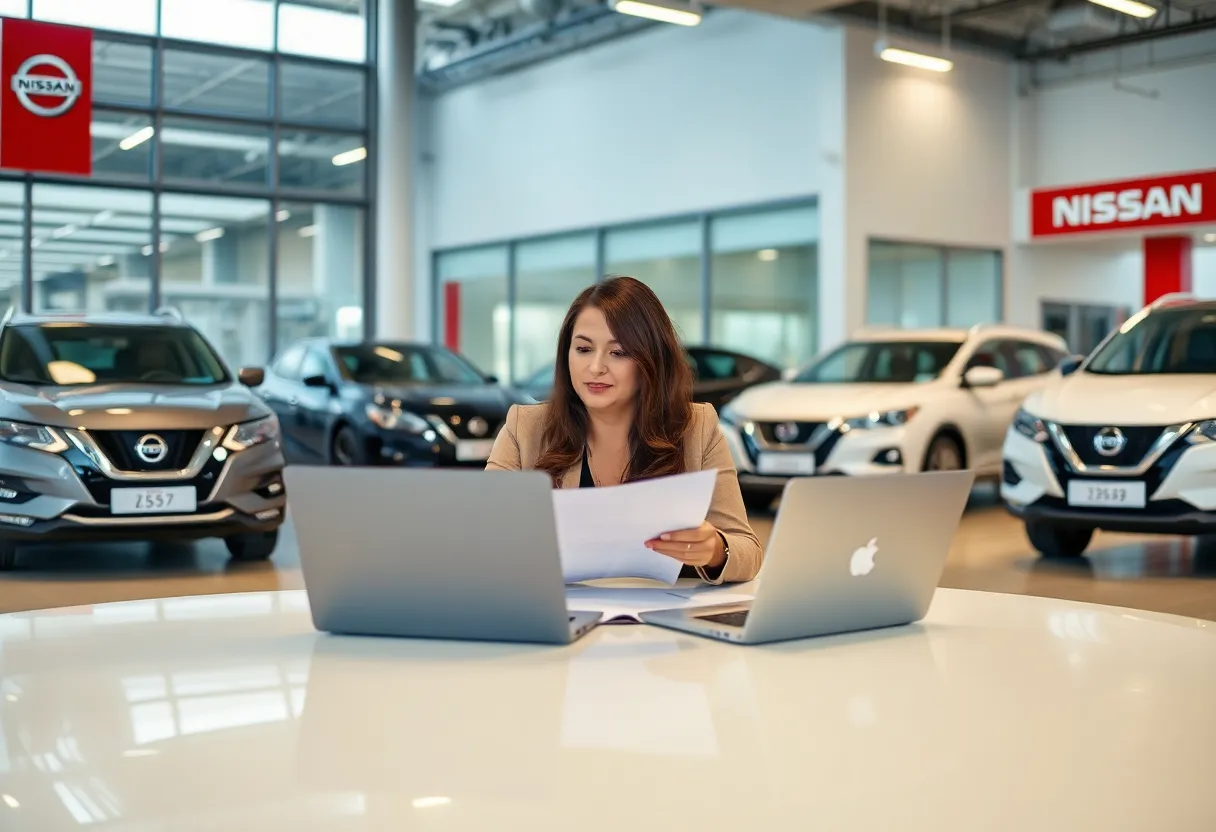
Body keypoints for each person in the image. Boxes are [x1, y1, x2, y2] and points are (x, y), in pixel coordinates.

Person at [486, 276, 762, 585]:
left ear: (651, 360)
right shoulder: (524, 428)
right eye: (583, 349)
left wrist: (714, 550)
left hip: (663, 620)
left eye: (618, 353)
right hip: (560, 616)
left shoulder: (696, 428)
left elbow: (747, 551)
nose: (596, 367)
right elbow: (483, 538)